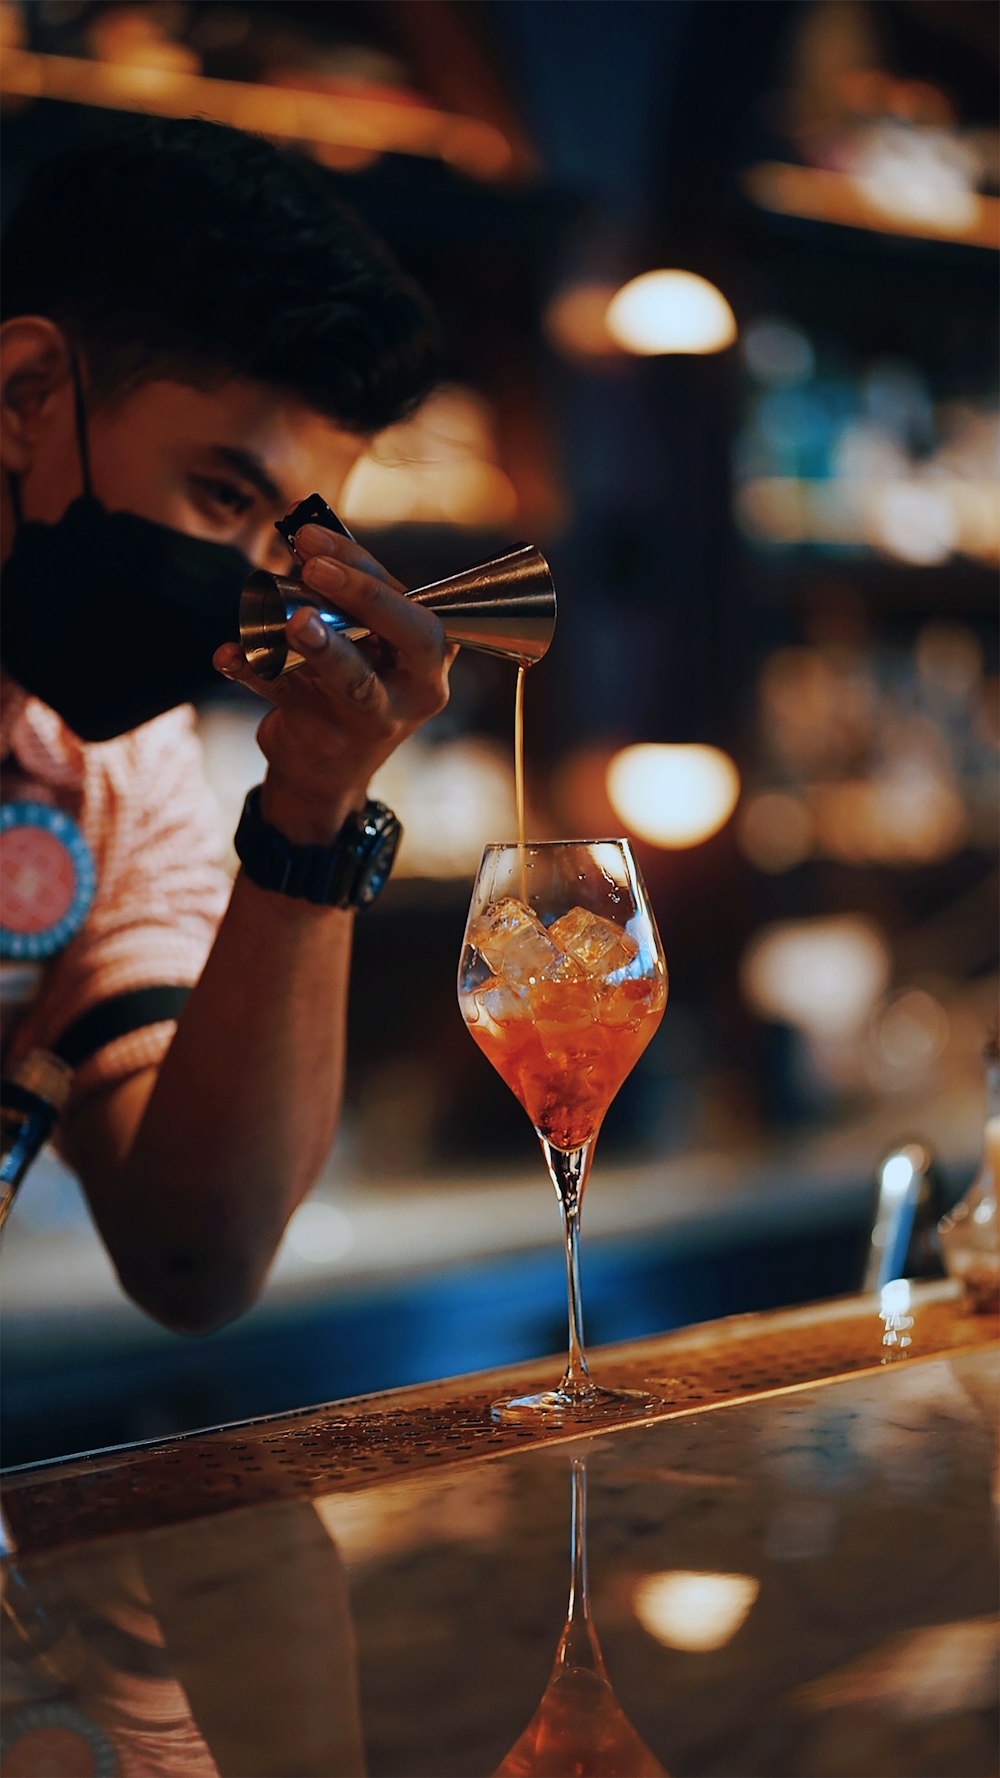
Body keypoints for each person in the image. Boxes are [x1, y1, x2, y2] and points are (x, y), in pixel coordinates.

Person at [0, 115, 453, 1331]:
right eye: (221, 495)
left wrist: (313, 815)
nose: (261, 584)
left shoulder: (111, 772)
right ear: (26, 394)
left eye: (286, 535)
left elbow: (196, 1253)